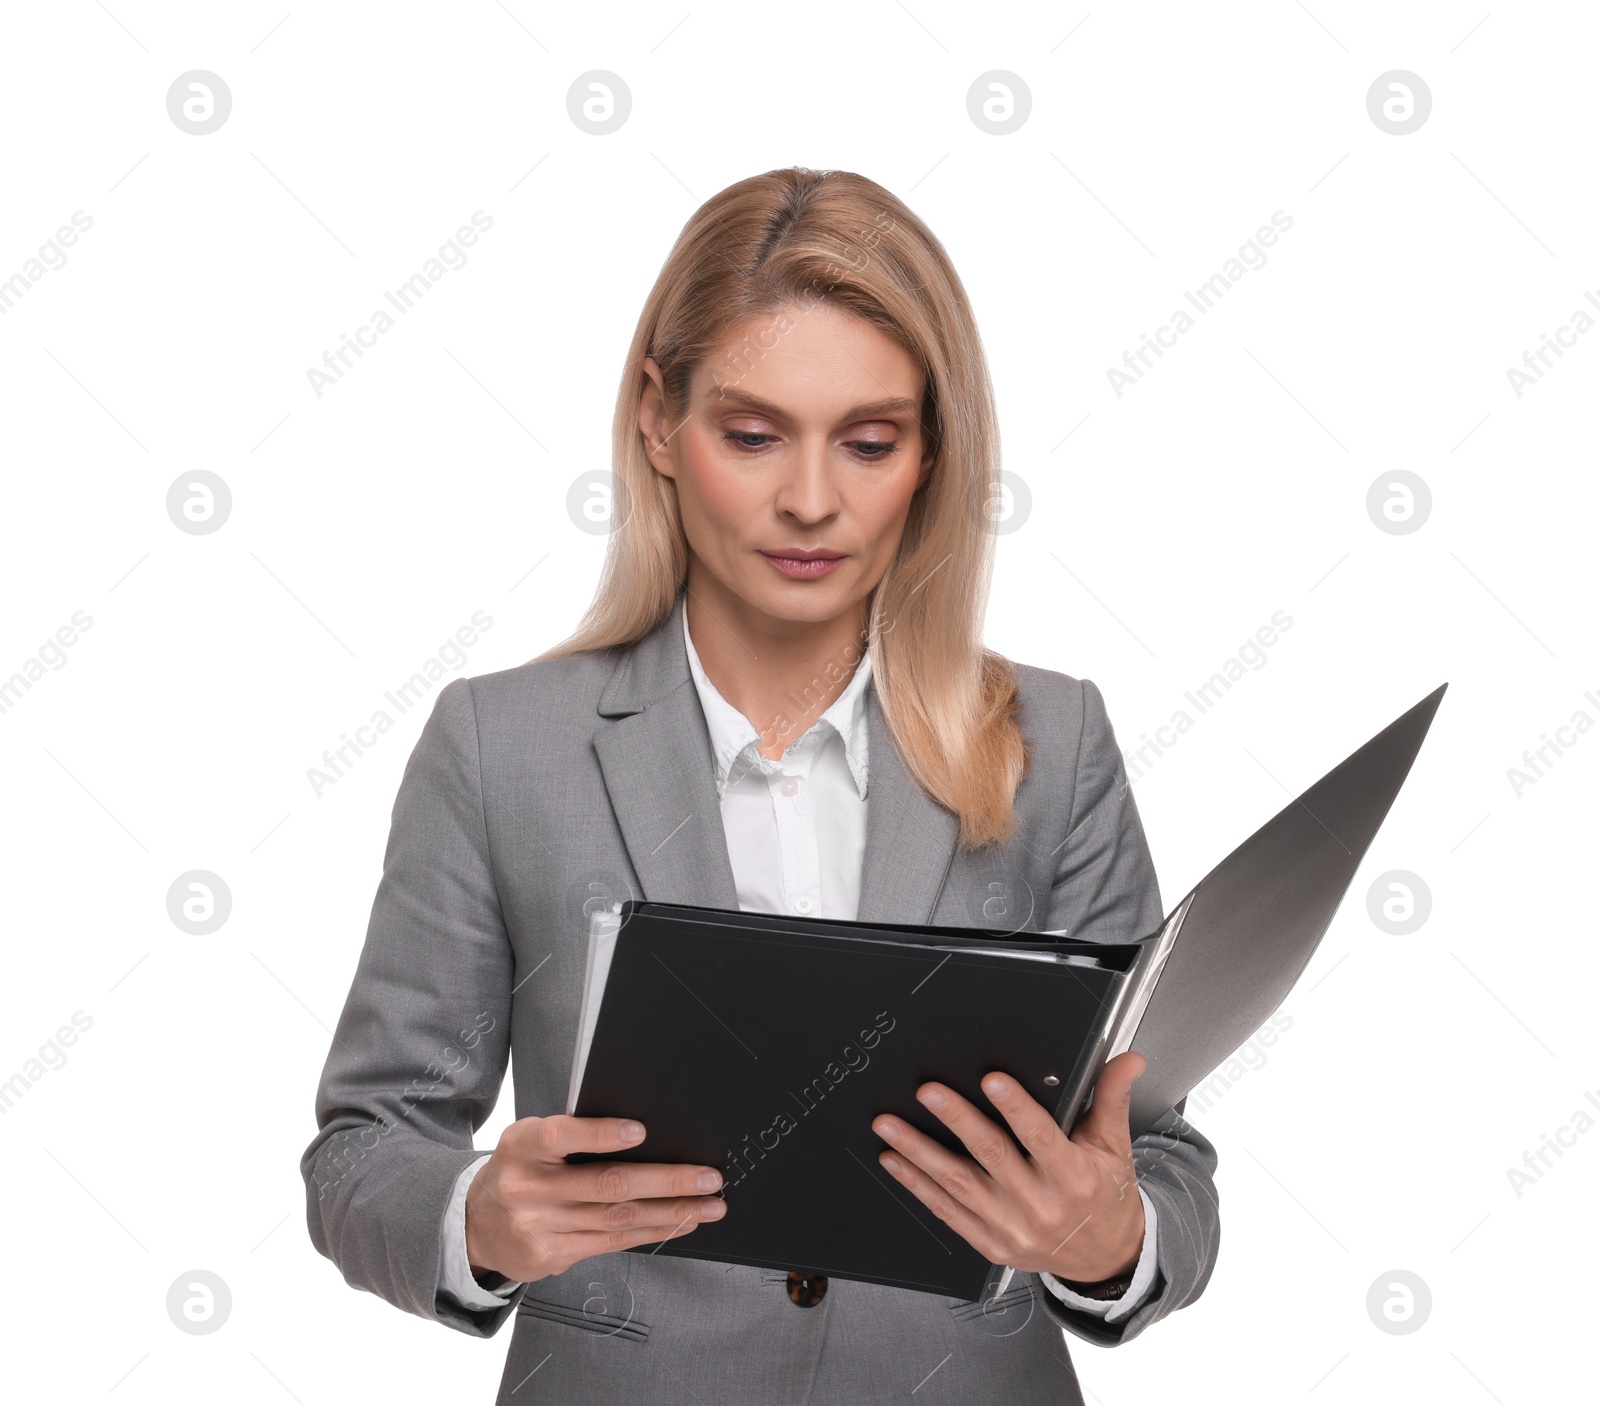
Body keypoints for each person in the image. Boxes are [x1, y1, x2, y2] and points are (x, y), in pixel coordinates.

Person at [300, 166, 1220, 1405]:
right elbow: (363, 1146)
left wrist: (1110, 1239)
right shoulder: (498, 745)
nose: (809, 499)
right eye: (750, 433)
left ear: (932, 452)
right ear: (655, 422)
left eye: (870, 440)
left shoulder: (1050, 737)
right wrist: (478, 1215)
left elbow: (1157, 1152)